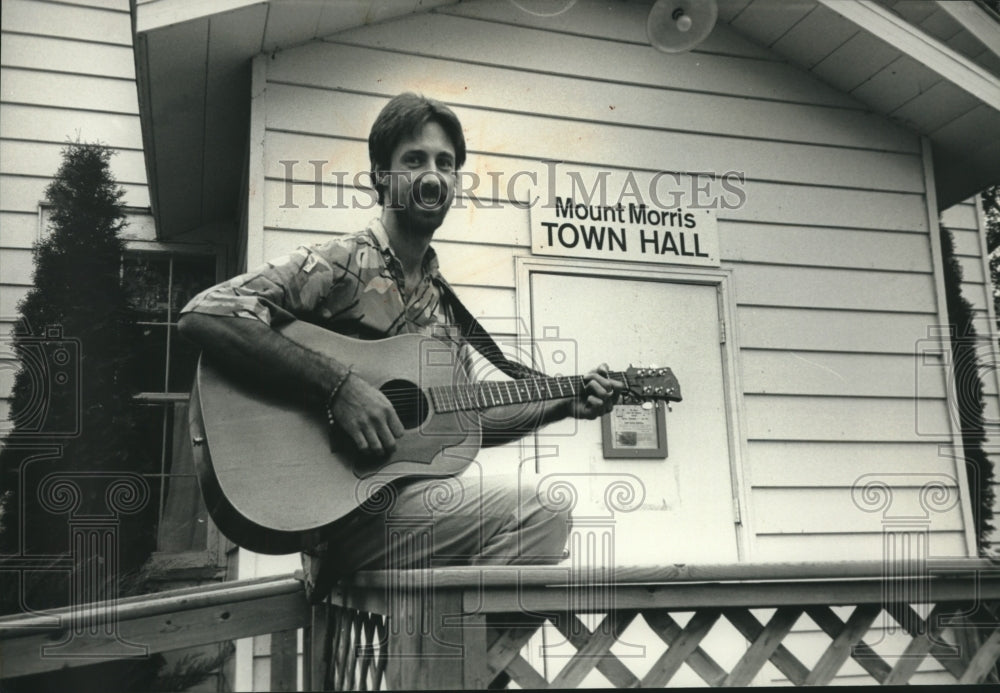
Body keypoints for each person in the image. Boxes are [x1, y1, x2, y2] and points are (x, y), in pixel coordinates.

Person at [178, 92, 620, 583]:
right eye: (414, 160)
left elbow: (464, 422)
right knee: (539, 510)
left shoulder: (444, 313)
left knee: (542, 517)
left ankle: (450, 659)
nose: (432, 176)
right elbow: (207, 314)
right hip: (332, 518)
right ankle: (460, 660)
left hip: (399, 516)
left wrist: (561, 403)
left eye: (445, 164)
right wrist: (339, 387)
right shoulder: (339, 263)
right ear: (379, 178)